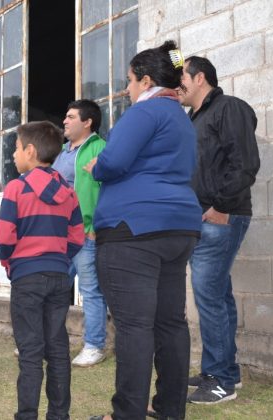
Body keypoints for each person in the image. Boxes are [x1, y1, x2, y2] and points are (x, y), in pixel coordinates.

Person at [86, 40, 202, 420]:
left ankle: (127, 414)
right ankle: (170, 409)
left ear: (146, 80)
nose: (126, 89)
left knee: (134, 327)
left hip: (133, 230)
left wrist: (96, 167)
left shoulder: (144, 111)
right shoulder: (182, 118)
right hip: (178, 228)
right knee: (170, 322)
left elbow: (114, 161)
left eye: (130, 81)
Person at [179, 56, 260, 404]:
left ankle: (220, 381)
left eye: (181, 76)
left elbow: (245, 163)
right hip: (203, 218)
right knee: (217, 296)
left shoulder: (230, 108)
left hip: (222, 216)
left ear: (199, 78)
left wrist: (222, 207)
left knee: (208, 296)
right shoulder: (193, 119)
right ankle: (224, 369)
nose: (176, 84)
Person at [0, 121, 84, 420]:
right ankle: (59, 416)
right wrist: (59, 260)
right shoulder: (68, 191)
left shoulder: (16, 188)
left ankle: (27, 415)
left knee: (31, 352)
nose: (13, 155)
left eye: (16, 149)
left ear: (30, 151)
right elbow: (76, 238)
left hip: (27, 278)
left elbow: (4, 237)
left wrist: (10, 263)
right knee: (58, 349)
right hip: (59, 278)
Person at [51, 99, 108, 367]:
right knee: (54, 289)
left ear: (87, 122)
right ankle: (47, 340)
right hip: (61, 235)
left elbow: (108, 191)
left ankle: (94, 345)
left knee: (91, 292)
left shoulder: (101, 149)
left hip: (86, 235)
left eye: (71, 116)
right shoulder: (62, 153)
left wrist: (95, 227)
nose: (65, 120)